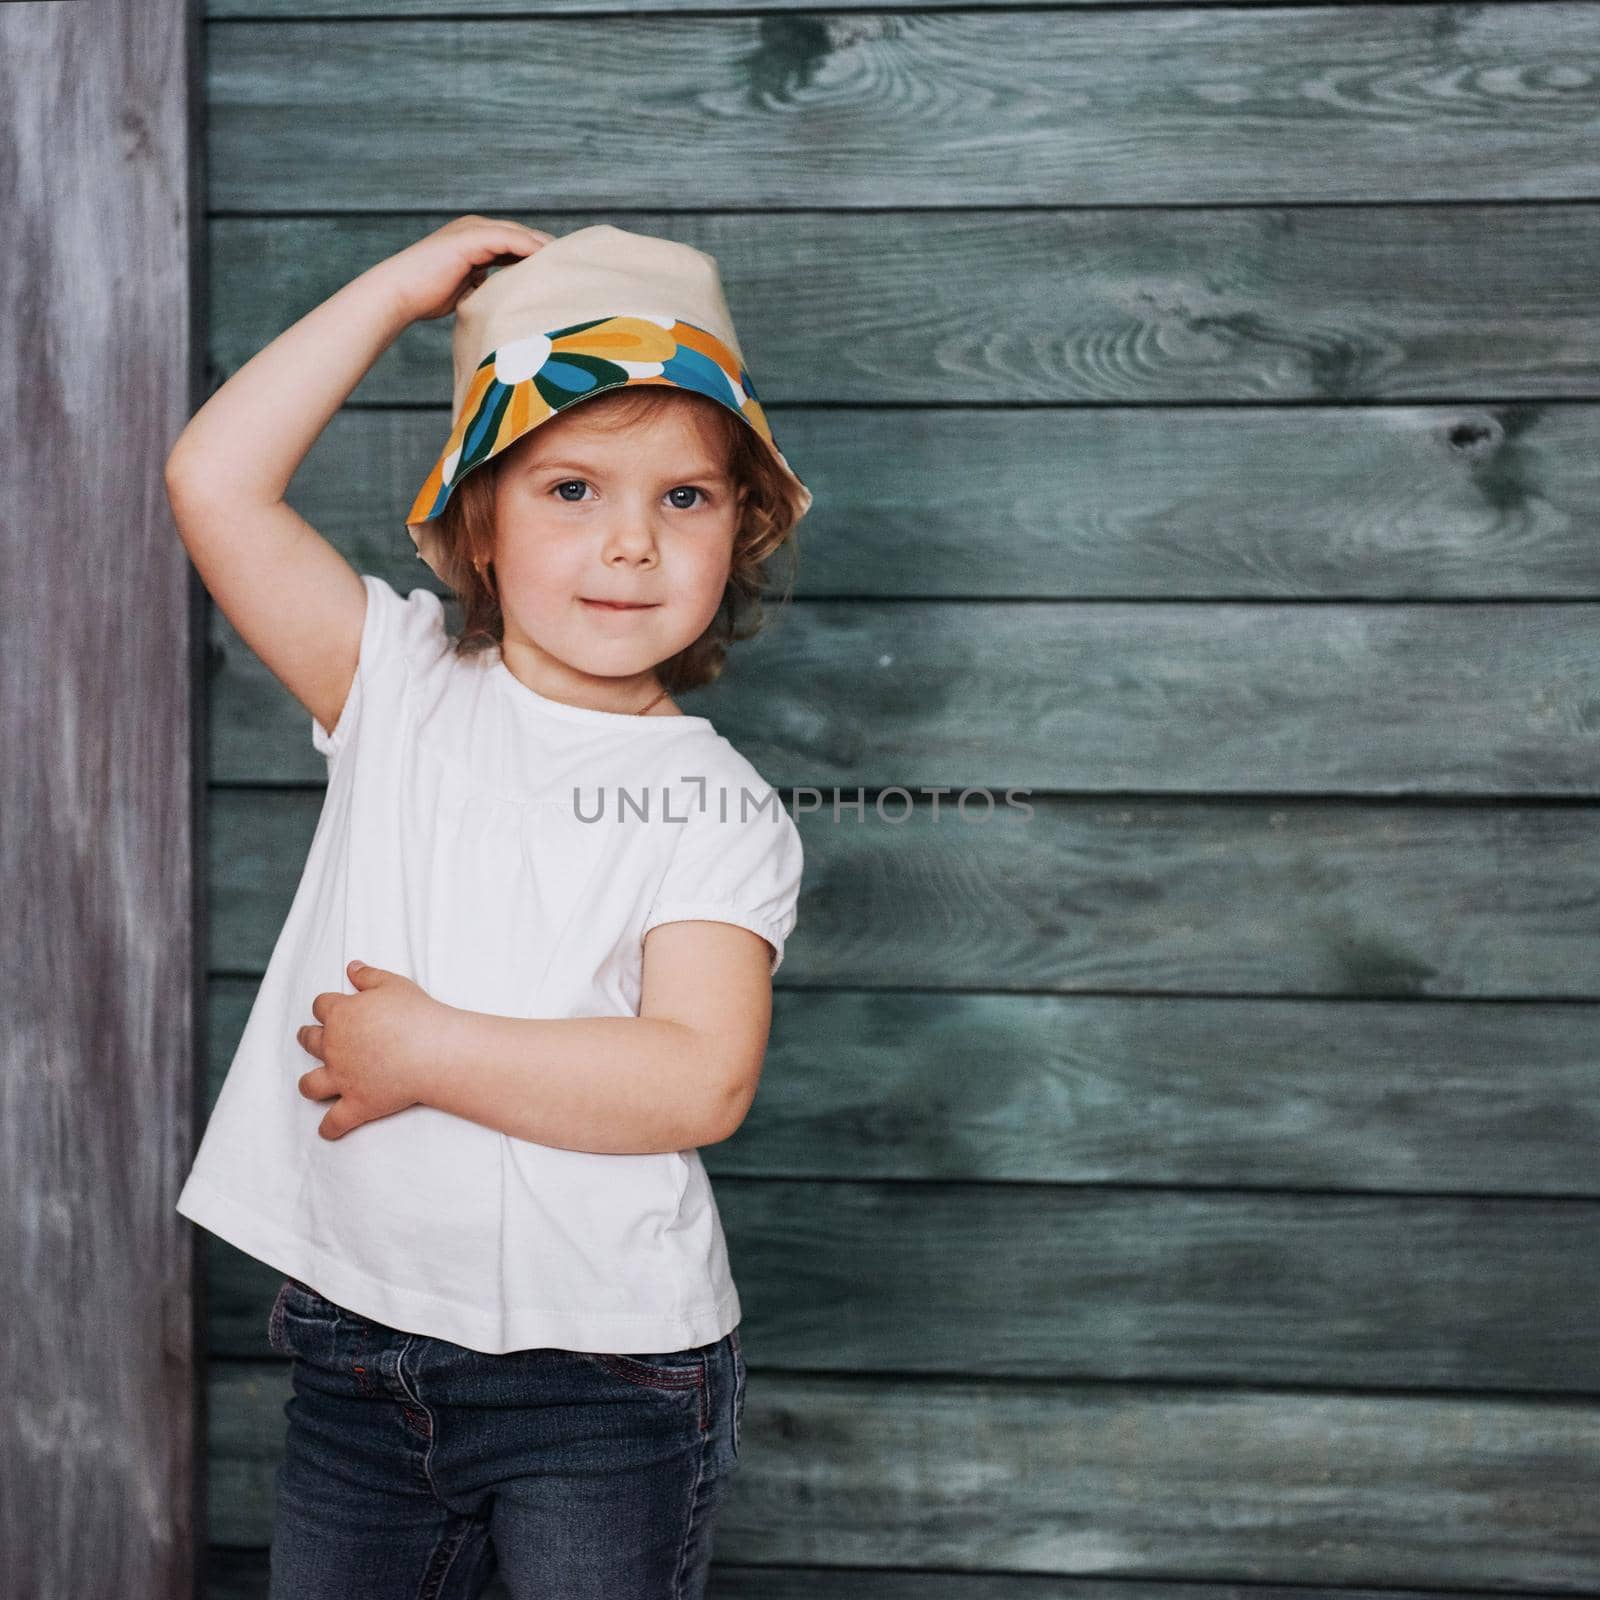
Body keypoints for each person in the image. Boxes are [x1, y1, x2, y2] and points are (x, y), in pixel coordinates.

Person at [164, 217, 813, 1599]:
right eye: (571, 488)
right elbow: (213, 479)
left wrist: (428, 1050)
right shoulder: (396, 684)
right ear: (480, 520)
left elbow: (699, 1074)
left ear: (740, 531)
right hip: (353, 1350)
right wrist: (397, 294)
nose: (629, 544)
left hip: (603, 1381)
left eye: (684, 499)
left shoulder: (714, 804)